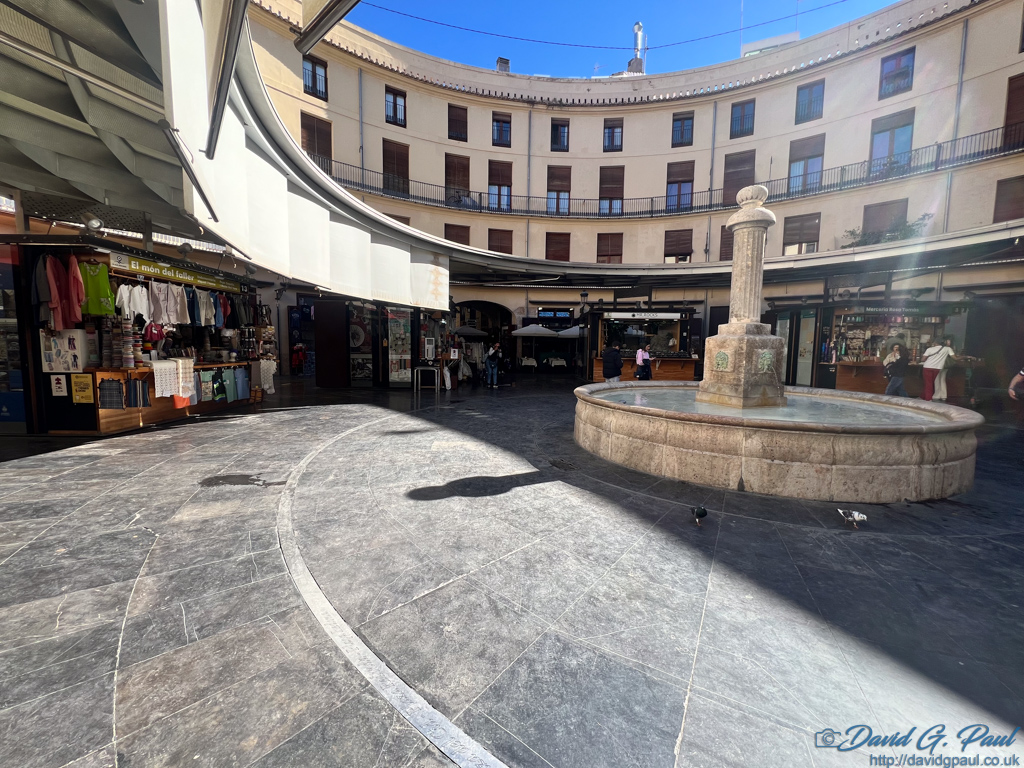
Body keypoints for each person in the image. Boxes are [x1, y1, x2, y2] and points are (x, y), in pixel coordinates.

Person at [921, 336, 956, 401]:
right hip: (937, 368)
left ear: (935, 342)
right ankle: (924, 396)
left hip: (927, 367)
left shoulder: (930, 349)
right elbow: (955, 358)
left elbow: (923, 359)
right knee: (933, 382)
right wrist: (965, 357)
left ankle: (928, 399)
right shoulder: (947, 349)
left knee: (928, 383)